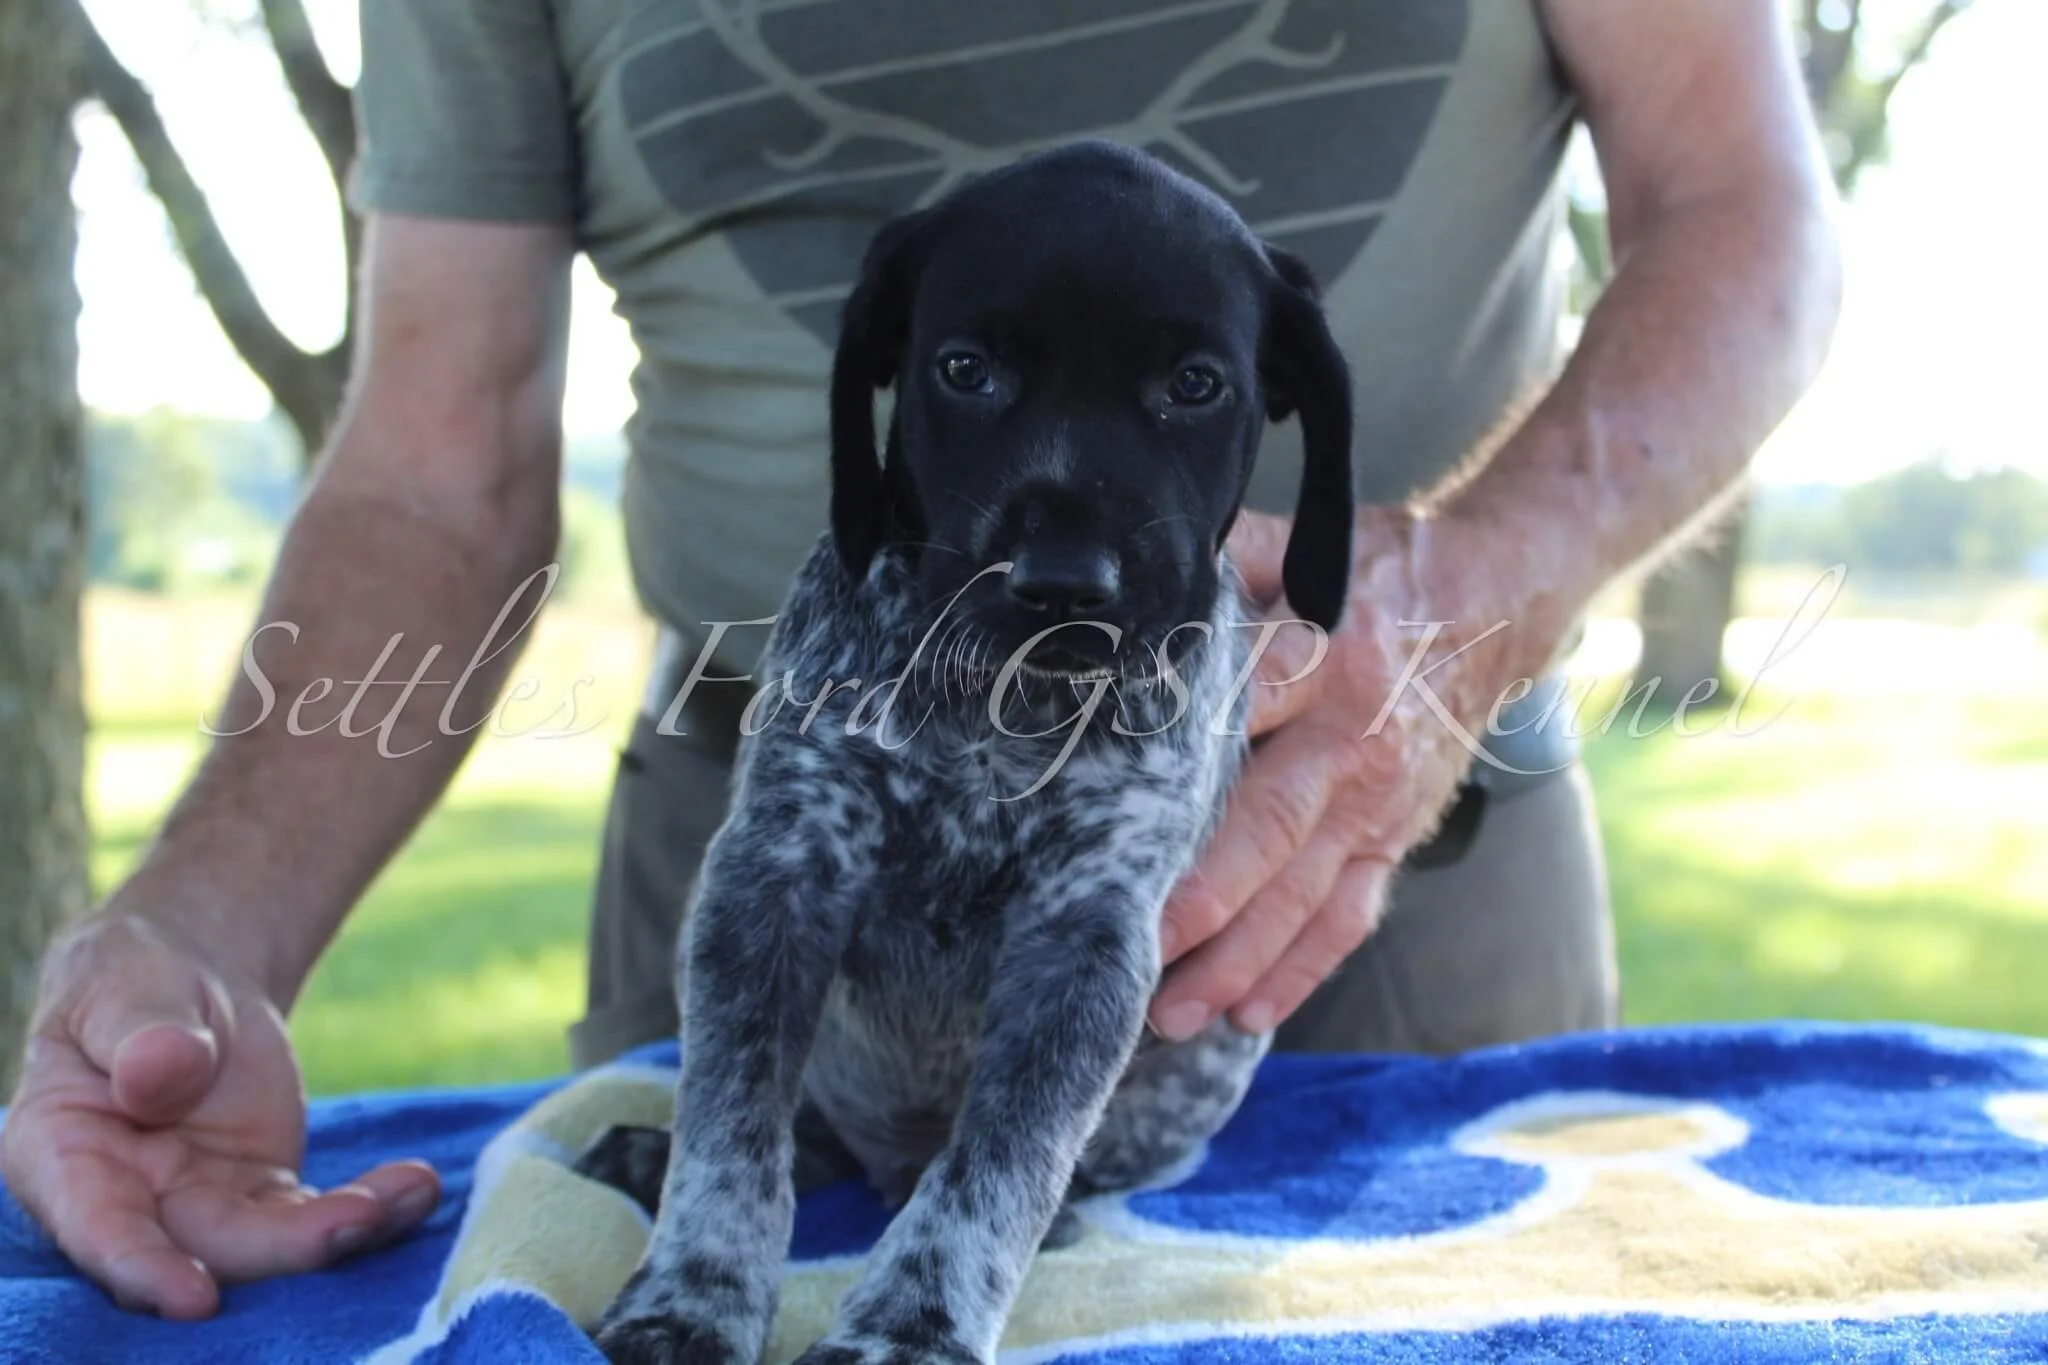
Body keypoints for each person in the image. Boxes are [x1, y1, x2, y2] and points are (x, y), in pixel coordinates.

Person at [1, 0, 1841, 1322]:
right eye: (972, 377)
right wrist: (197, 950)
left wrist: (1457, 596)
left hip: (1369, 879)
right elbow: (431, 449)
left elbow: (1746, 205)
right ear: (886, 384)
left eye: (1188, 390)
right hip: (764, 883)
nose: (1064, 504)